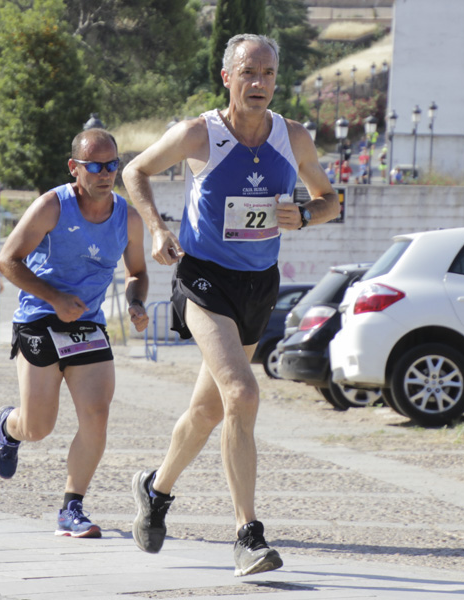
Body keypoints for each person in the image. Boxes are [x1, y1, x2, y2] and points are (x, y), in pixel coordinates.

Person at [121, 34, 340, 576]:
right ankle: (248, 535)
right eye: (248, 73)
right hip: (204, 279)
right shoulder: (201, 134)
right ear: (227, 78)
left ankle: (155, 489)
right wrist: (156, 228)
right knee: (242, 393)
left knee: (209, 410)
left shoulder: (293, 137)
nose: (259, 83)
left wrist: (306, 216)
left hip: (258, 285)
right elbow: (134, 172)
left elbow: (330, 200)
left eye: (267, 73)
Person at [0, 128, 150, 539]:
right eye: (95, 166)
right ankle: (9, 426)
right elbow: (7, 261)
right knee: (38, 426)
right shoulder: (52, 206)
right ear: (74, 168)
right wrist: (55, 297)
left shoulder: (128, 218)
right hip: (40, 317)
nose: (105, 173)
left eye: (112, 165)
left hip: (87, 325)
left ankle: (71, 506)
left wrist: (135, 302)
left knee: (97, 415)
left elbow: (137, 272)